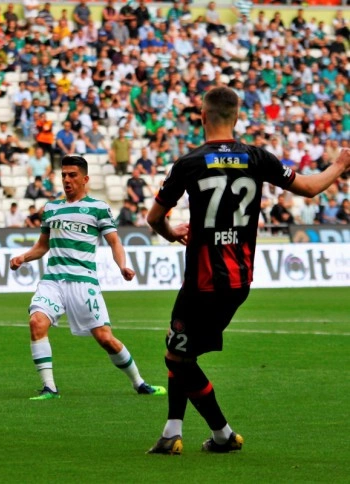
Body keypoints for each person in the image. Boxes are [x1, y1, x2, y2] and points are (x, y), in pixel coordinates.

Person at [146, 87, 350, 455]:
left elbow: (154, 217)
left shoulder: (189, 163)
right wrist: (338, 165)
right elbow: (307, 188)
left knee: (176, 355)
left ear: (203, 117)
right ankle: (171, 432)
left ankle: (222, 434)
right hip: (240, 279)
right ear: (237, 118)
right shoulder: (257, 157)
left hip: (203, 280)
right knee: (181, 349)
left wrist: (171, 232)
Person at [9, 156, 165, 401]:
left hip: (83, 282)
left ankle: (139, 382)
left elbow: (114, 241)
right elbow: (42, 246)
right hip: (53, 280)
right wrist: (23, 257)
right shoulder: (51, 208)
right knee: (36, 322)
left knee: (105, 338)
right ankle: (50, 388)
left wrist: (122, 265)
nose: (67, 180)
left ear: (85, 178)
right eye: (63, 175)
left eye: (72, 175)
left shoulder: (98, 208)